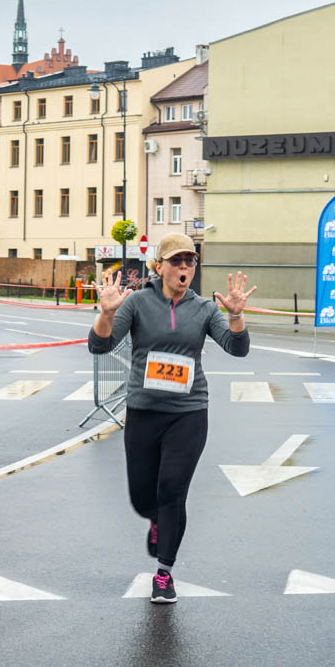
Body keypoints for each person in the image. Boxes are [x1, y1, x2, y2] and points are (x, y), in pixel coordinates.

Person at [90, 232, 253, 604]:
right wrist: (107, 313)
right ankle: (155, 519)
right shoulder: (137, 303)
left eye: (189, 260)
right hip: (144, 411)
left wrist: (236, 315)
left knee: (172, 490)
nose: (184, 267)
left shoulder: (204, 309)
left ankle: (164, 573)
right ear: (159, 266)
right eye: (176, 260)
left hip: (188, 413)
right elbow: (100, 345)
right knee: (142, 496)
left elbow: (237, 348)